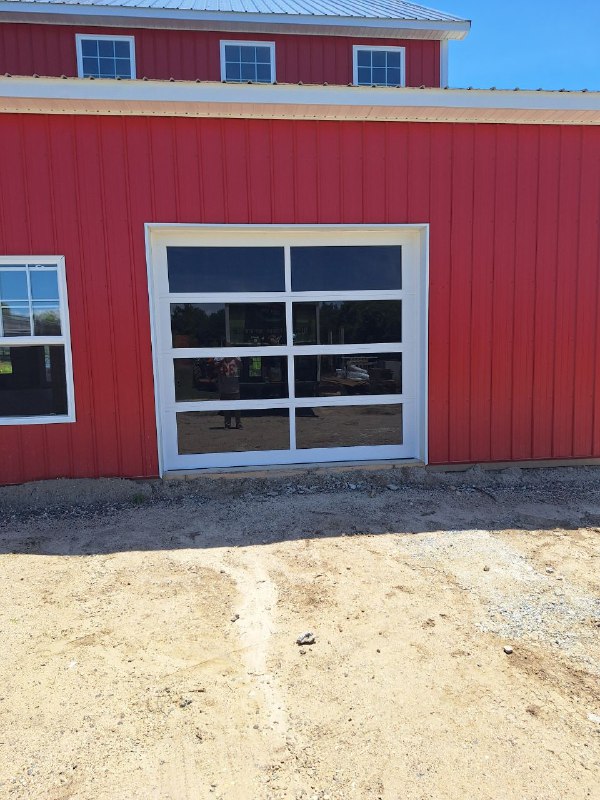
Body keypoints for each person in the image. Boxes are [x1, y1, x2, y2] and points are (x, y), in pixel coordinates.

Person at [214, 356, 243, 429]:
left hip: (234, 387)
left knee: (237, 409)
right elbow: (215, 367)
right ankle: (227, 424)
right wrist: (222, 360)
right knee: (226, 408)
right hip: (224, 387)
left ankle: (238, 423)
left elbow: (241, 366)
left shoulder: (236, 357)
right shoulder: (218, 357)